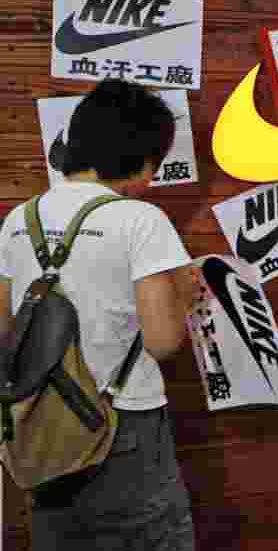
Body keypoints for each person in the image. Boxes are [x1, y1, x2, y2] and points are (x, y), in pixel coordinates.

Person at [0, 79, 198, 551]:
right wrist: (184, 293)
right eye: (155, 162)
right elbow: (163, 340)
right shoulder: (140, 220)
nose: (152, 177)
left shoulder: (19, 219)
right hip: (123, 422)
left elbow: (6, 330)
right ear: (136, 155)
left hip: (40, 421)